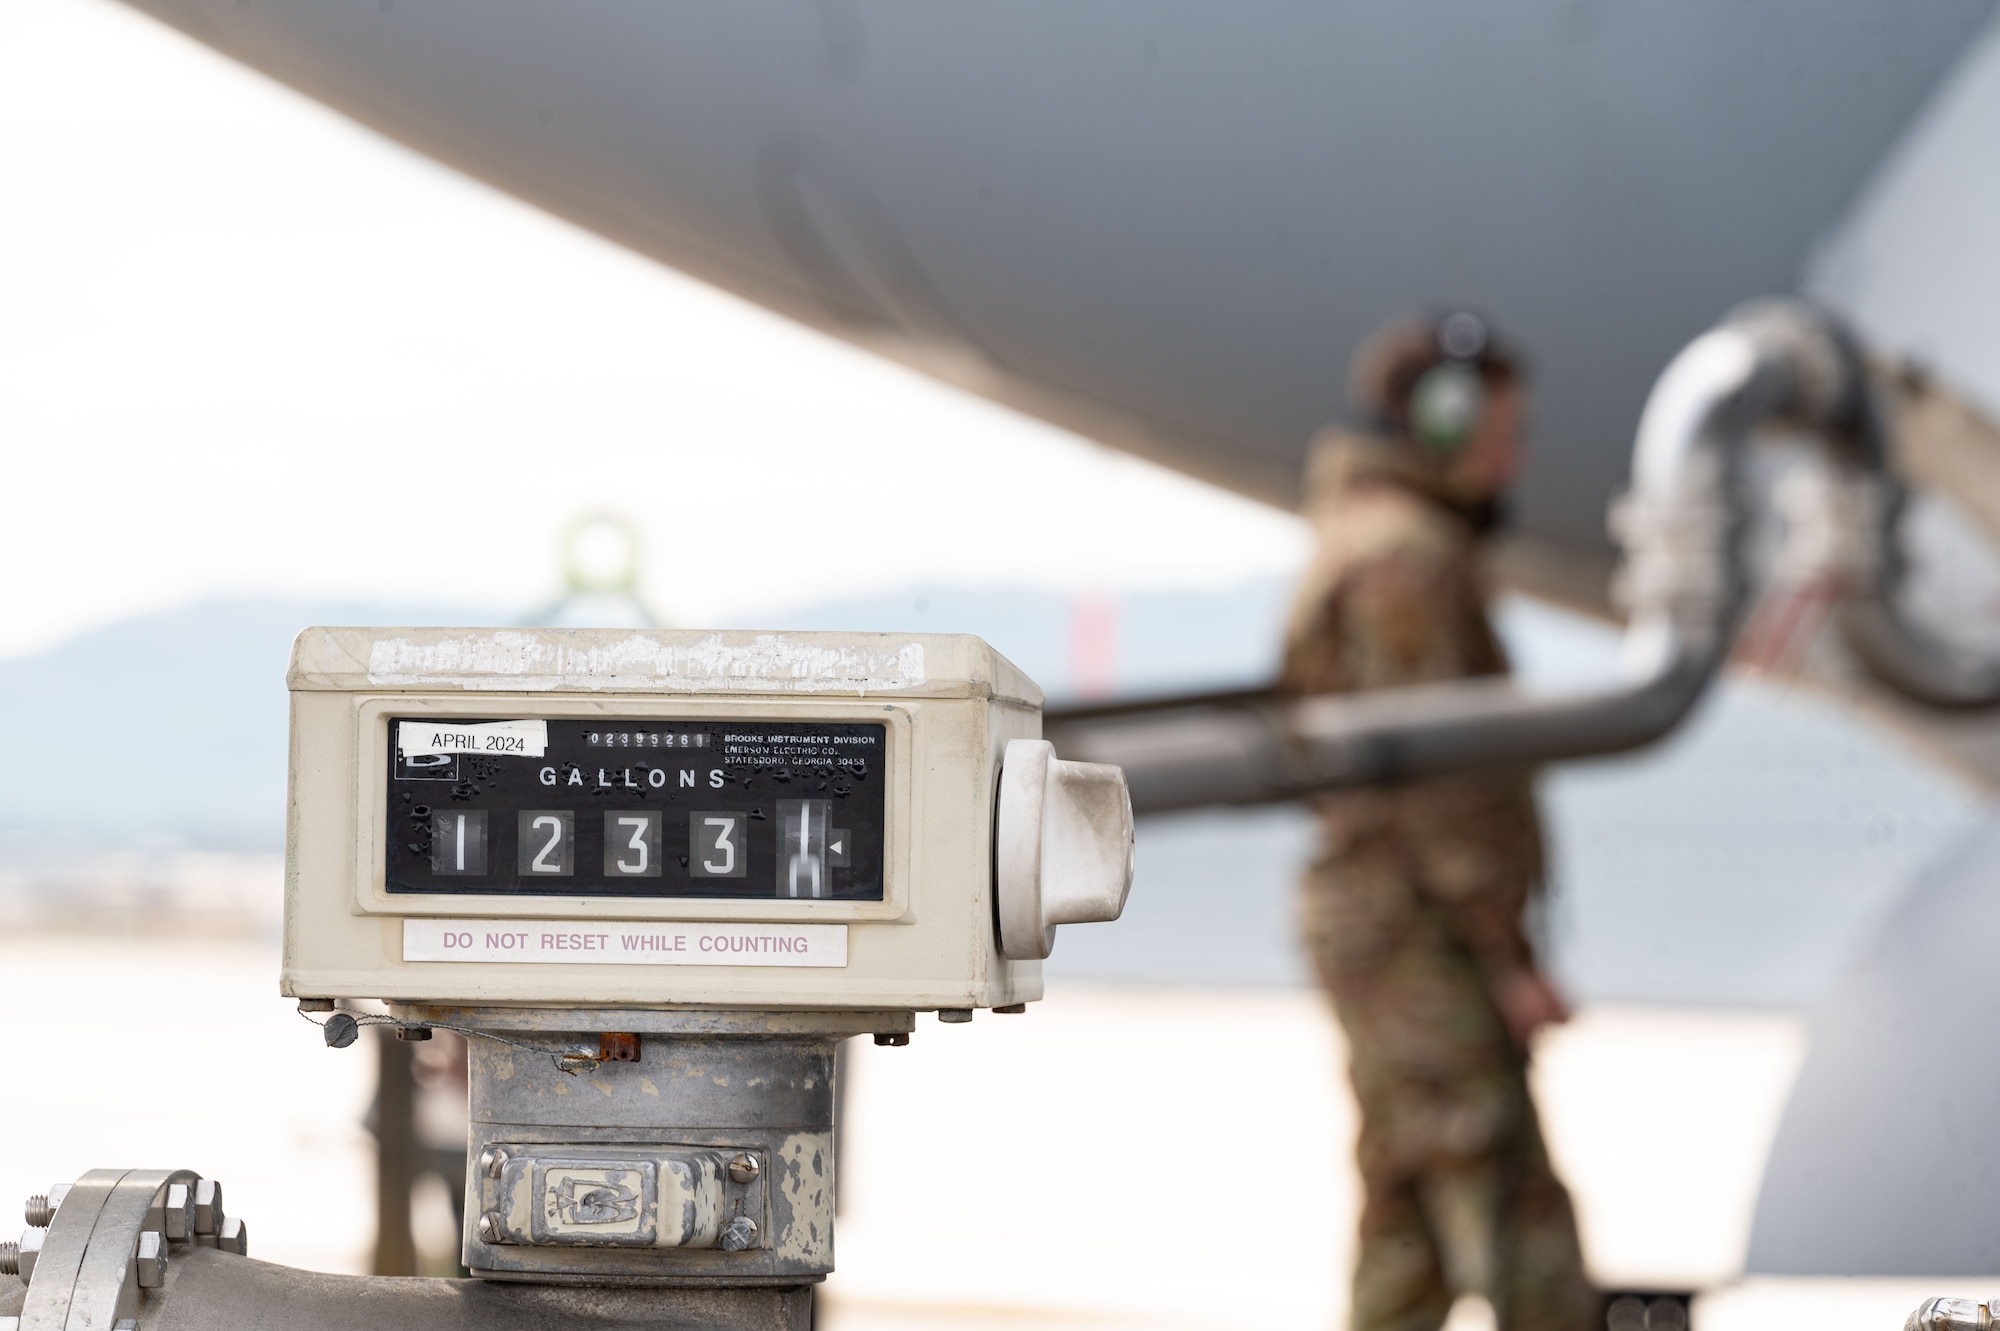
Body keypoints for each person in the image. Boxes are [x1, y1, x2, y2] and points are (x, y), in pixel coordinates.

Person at [1283, 312, 1596, 1331]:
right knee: (1509, 1209)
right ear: (1444, 423)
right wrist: (1503, 957)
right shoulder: (1404, 559)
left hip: (1391, 924)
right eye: (1503, 427)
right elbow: (1438, 784)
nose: (1516, 453)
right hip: (1418, 929)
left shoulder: (1374, 536)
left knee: (1408, 1220)